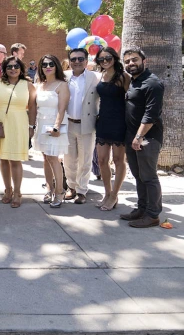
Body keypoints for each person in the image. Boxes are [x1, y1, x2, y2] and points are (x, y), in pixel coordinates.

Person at [120, 48, 164, 228]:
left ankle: (153, 215)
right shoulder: (134, 81)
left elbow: (150, 115)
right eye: (128, 61)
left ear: (144, 60)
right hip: (132, 137)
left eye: (134, 59)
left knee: (149, 177)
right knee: (138, 176)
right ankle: (142, 209)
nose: (131, 63)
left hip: (147, 138)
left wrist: (139, 137)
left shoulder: (153, 83)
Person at [0, 56, 37, 208]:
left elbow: (32, 107)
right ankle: (8, 190)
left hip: (19, 124)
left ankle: (17, 192)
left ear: (21, 68)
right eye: (9, 66)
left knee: (15, 160)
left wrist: (32, 127)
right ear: (4, 69)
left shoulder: (28, 85)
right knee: (3, 159)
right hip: (0, 125)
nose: (13, 69)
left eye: (16, 66)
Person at [62, 48, 100, 205]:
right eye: (73, 59)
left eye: (80, 59)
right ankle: (71, 187)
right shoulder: (65, 77)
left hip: (87, 125)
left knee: (85, 159)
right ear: (69, 61)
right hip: (68, 124)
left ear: (86, 60)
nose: (76, 62)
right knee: (69, 159)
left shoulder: (96, 78)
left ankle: (82, 190)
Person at [95, 47, 130, 211]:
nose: (105, 61)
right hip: (103, 121)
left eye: (108, 58)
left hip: (119, 122)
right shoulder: (100, 76)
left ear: (115, 58)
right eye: (101, 59)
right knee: (102, 160)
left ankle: (115, 195)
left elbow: (132, 101)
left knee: (118, 160)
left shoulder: (124, 77)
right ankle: (107, 192)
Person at [33, 54, 70, 208]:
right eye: (44, 64)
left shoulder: (62, 85)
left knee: (53, 158)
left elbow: (62, 109)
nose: (47, 67)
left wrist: (56, 126)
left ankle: (60, 191)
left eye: (51, 64)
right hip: (41, 124)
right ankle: (49, 188)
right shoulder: (39, 84)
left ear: (56, 66)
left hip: (54, 124)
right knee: (45, 157)